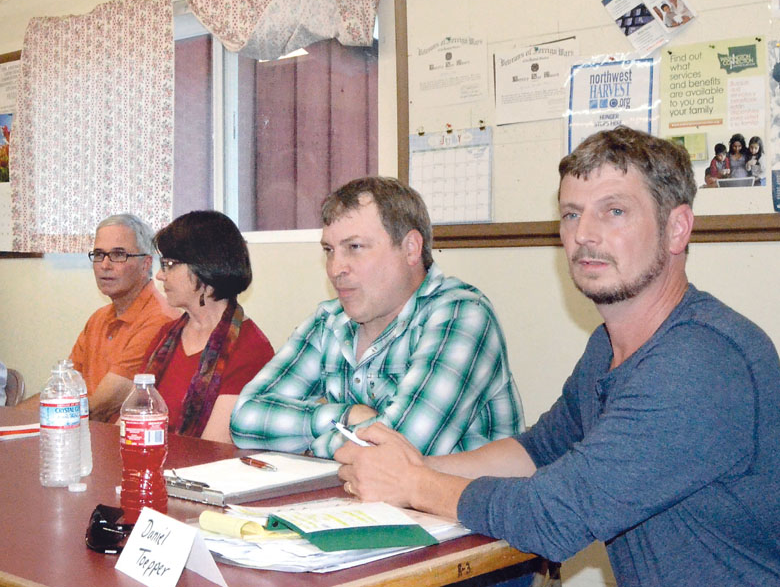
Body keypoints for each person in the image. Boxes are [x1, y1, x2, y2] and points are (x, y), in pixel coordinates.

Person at [336, 128, 780, 587]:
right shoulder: (608, 346)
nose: (584, 234)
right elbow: (539, 450)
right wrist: (418, 467)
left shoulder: (701, 362)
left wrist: (414, 485)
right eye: (571, 214)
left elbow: (554, 516)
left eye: (614, 211)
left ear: (677, 228)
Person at [230, 176, 525, 459]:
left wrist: (312, 446)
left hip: (457, 495)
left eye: (355, 247)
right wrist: (346, 415)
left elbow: (398, 447)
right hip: (355, 493)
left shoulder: (462, 315)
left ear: (411, 248)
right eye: (329, 250)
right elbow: (245, 419)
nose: (335, 268)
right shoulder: (330, 321)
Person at [19, 214, 177, 421]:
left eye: (118, 255)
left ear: (146, 264)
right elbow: (63, 388)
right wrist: (11, 419)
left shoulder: (160, 320)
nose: (105, 265)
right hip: (82, 430)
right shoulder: (99, 318)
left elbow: (100, 406)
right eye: (99, 254)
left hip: (118, 437)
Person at [140, 211, 274, 441]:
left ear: (205, 267)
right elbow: (132, 418)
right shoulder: (165, 336)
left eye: (169, 264)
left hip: (201, 462)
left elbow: (212, 447)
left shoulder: (251, 349)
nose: (160, 275)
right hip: (154, 456)